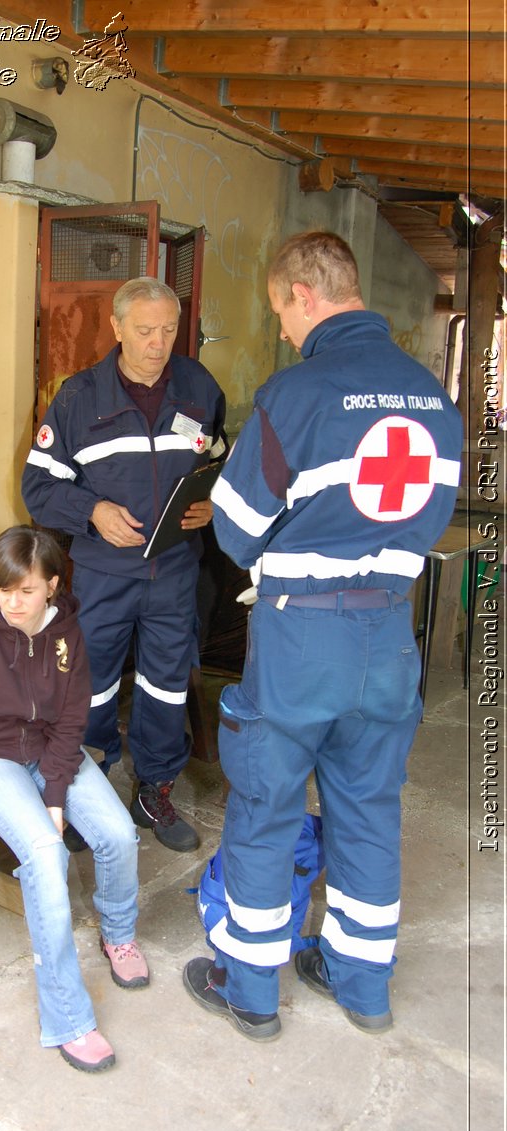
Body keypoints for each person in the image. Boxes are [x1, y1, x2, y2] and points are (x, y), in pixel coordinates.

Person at [183, 232, 463, 1040]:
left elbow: (234, 530)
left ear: (305, 294)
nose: (282, 330)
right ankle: (362, 984)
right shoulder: (432, 398)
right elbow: (431, 517)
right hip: (389, 636)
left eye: (280, 311)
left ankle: (251, 989)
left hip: (302, 638)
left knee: (267, 807)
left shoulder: (297, 394)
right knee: (369, 808)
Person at [0, 525, 148, 1074]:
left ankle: (118, 936)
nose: (11, 602)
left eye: (26, 590)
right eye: (1, 589)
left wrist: (56, 789)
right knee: (47, 855)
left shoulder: (67, 631)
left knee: (118, 833)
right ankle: (69, 1018)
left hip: (47, 750)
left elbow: (72, 717)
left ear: (52, 585)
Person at [21, 277, 227, 853]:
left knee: (165, 686)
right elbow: (37, 487)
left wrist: (212, 502)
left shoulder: (199, 387)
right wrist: (92, 510)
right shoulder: (78, 400)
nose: (158, 344)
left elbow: (219, 458)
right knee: (90, 689)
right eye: (144, 331)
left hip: (176, 571)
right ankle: (89, 794)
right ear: (116, 328)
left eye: (167, 330)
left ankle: (154, 790)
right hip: (104, 575)